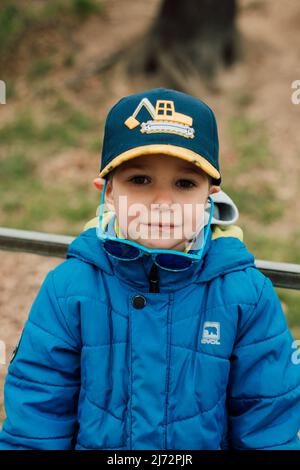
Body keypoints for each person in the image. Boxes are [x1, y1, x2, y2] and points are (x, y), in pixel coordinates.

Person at [0, 87, 300, 450]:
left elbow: (267, 426)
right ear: (108, 191)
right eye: (140, 180)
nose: (162, 203)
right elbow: (37, 421)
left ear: (210, 195)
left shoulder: (246, 296)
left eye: (185, 183)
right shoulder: (68, 289)